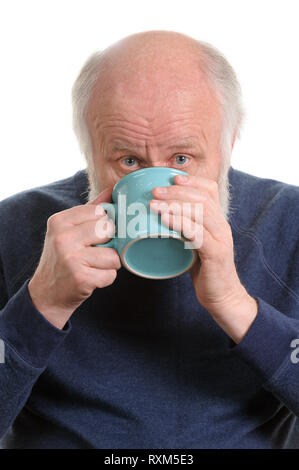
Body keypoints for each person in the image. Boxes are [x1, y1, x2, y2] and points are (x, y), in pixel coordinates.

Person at [0, 30, 298, 449]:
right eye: (128, 161)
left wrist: (236, 306)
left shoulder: (289, 220)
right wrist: (40, 306)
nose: (157, 192)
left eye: (182, 159)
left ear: (228, 143)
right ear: (88, 153)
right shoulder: (13, 226)